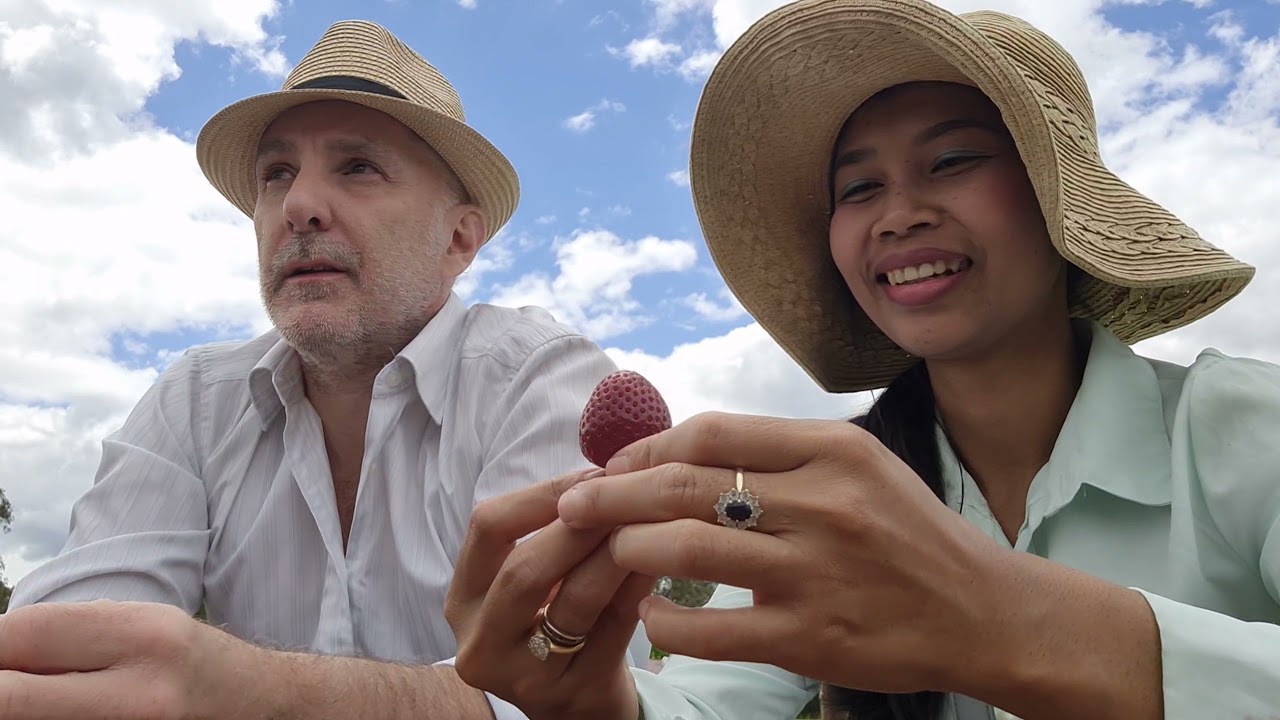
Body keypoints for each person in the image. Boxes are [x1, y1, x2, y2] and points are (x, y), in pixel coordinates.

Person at [442, 1, 1280, 719]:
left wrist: (1012, 622)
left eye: (952, 161)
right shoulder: (829, 493)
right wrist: (600, 704)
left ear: (1059, 202)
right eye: (858, 189)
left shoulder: (1238, 428)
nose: (897, 214)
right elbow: (705, 701)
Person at [2, 19, 627, 719]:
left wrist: (259, 692)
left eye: (358, 166)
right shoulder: (194, 400)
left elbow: (555, 687)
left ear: (458, 238)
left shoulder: (540, 379)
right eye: (276, 174)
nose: (297, 207)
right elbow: (59, 656)